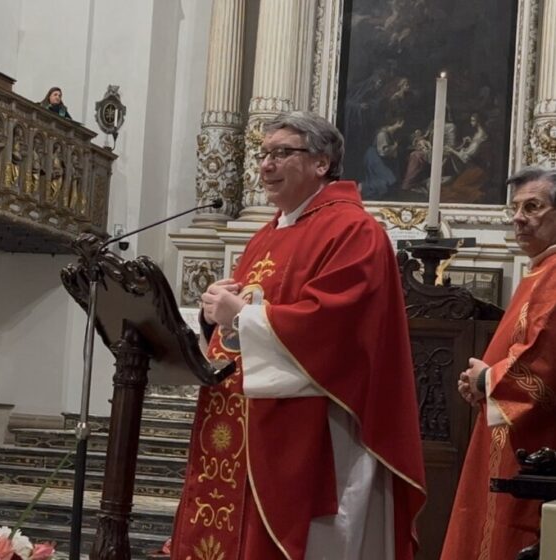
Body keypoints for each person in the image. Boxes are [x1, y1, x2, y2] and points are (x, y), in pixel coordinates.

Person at [170, 111, 426, 560]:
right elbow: (242, 319)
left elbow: (335, 326)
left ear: (321, 163)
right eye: (263, 154)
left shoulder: (354, 230)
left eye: (281, 153)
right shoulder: (266, 236)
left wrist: (241, 316)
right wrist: (216, 312)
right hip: (249, 420)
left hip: (318, 429)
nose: (266, 165)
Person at [442, 167, 556, 559]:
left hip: (536, 444)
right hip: (506, 431)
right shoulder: (541, 271)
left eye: (533, 206)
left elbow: (545, 356)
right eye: (515, 208)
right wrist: (482, 381)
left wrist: (486, 379)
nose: (518, 217)